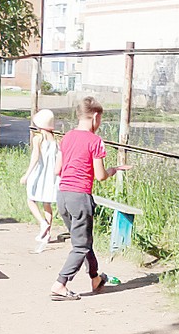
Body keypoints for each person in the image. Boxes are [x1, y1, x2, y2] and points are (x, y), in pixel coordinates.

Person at [49, 96, 132, 301]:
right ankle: (60, 284)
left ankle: (95, 278)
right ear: (95, 117)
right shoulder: (95, 141)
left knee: (83, 240)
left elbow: (57, 170)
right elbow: (100, 176)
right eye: (100, 119)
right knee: (81, 246)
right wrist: (114, 169)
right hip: (80, 197)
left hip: (63, 195)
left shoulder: (67, 137)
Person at [20, 108, 60, 252]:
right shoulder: (55, 140)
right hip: (52, 175)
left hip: (40, 172)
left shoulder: (38, 138)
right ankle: (47, 233)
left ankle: (43, 224)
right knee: (47, 203)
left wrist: (26, 174)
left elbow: (35, 157)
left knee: (31, 199)